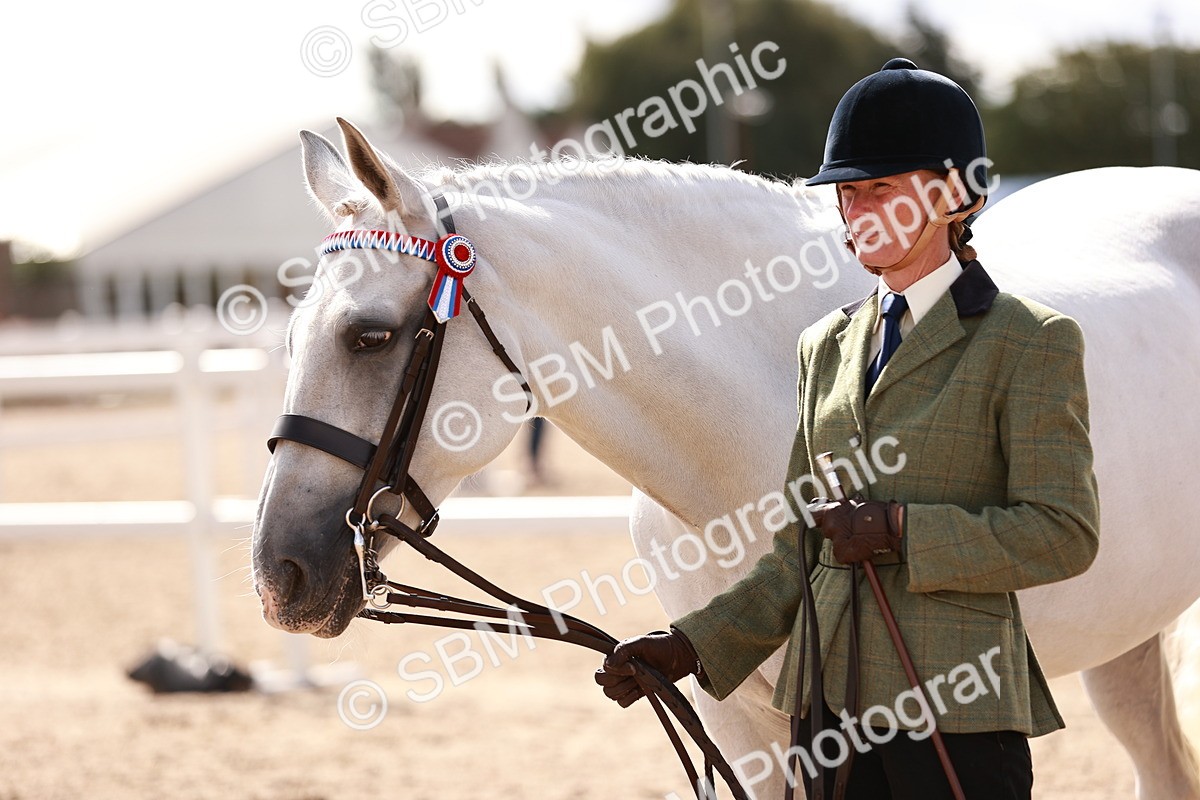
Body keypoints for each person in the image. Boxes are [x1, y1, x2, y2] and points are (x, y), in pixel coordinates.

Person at [594, 58, 1100, 799]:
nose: (859, 212)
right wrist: (691, 645)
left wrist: (901, 529)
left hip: (955, 710)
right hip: (829, 715)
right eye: (848, 193)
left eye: (882, 190)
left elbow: (1063, 532)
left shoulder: (1029, 341)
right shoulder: (824, 345)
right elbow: (800, 550)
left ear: (955, 195)